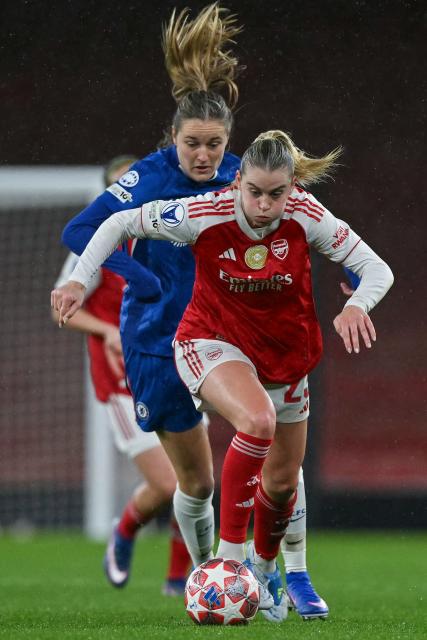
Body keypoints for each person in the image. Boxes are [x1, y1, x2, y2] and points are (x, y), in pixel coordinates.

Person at [53, 4, 351, 621]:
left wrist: (351, 272)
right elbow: (83, 228)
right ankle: (207, 577)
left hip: (230, 337)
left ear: (228, 144)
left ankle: (284, 573)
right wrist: (141, 282)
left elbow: (305, 222)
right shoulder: (150, 177)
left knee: (275, 453)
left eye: (215, 145)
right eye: (193, 144)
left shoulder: (246, 177)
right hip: (157, 339)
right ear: (174, 140)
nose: (205, 157)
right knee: (197, 483)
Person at [52, 155, 192, 595]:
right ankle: (126, 530)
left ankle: (178, 581)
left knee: (195, 482)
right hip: (122, 382)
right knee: (169, 483)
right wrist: (108, 329)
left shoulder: (170, 236)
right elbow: (64, 308)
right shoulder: (98, 247)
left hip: (174, 366)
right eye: (119, 190)